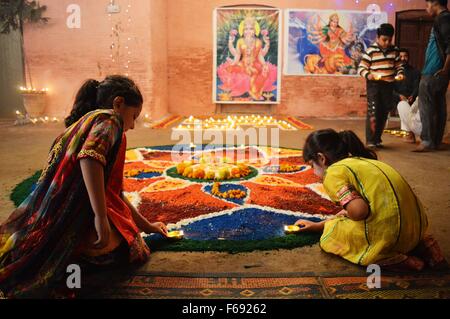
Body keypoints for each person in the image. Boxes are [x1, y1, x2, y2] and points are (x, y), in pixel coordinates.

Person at [0, 75, 168, 298]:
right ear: (118, 103)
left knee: (131, 236)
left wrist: (146, 225)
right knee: (129, 248)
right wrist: (100, 217)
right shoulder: (110, 120)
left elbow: (113, 192)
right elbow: (90, 158)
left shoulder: (85, 122)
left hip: (51, 212)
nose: (133, 125)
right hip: (71, 215)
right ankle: (72, 261)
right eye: (134, 116)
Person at [294, 129, 446, 271]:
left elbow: (359, 212)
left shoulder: (334, 172)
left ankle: (394, 259)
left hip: (390, 238)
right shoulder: (368, 163)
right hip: (417, 230)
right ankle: (427, 247)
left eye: (311, 165)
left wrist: (345, 216)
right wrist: (318, 225)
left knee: (333, 233)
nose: (313, 172)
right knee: (342, 219)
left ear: (321, 158)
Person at [358, 23, 405, 149]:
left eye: (389, 40)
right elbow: (361, 68)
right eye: (384, 40)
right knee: (373, 112)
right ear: (377, 37)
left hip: (388, 86)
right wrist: (369, 75)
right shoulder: (371, 51)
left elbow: (399, 66)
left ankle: (377, 139)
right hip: (374, 85)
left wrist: (400, 74)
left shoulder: (394, 50)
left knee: (384, 113)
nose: (387, 43)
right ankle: (370, 141)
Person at [415, 0, 450, 152]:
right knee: (438, 104)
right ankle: (435, 141)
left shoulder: (443, 19)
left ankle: (428, 141)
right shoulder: (444, 19)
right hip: (437, 71)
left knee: (427, 106)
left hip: (434, 71)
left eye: (427, 4)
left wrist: (445, 69)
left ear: (435, 4)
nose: (426, 8)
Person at [217, 15, 278, 101]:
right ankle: (247, 92)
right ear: (243, 31)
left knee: (260, 73)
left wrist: (264, 64)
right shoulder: (240, 41)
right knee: (234, 71)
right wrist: (233, 62)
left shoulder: (258, 41)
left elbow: (260, 55)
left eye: (251, 28)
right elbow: (237, 55)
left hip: (255, 65)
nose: (248, 31)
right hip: (243, 64)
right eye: (246, 29)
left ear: (254, 31)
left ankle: (255, 92)